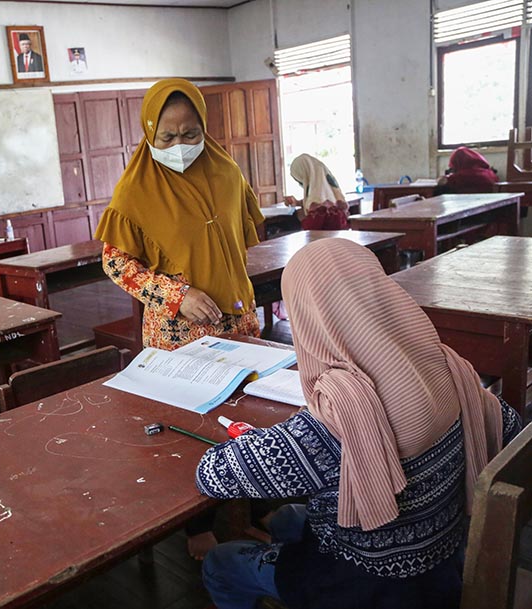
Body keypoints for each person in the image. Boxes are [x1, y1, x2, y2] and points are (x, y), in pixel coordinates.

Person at [196, 238, 521, 609]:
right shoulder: (451, 371)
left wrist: (270, 443)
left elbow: (213, 475)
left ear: (308, 318)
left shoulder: (334, 423)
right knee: (287, 517)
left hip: (363, 586)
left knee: (222, 563)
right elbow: (507, 427)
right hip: (442, 561)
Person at [94, 78, 264, 559]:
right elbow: (116, 263)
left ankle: (254, 504)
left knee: (247, 416)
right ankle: (196, 525)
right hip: (179, 330)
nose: (180, 146)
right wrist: (177, 293)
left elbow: (239, 235)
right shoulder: (136, 189)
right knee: (193, 427)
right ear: (149, 133)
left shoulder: (226, 171)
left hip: (237, 319)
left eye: (190, 134)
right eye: (166, 137)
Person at [283, 153, 349, 230]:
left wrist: (300, 217)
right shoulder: (328, 190)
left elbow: (311, 229)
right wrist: (298, 202)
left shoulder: (318, 208)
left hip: (325, 240)